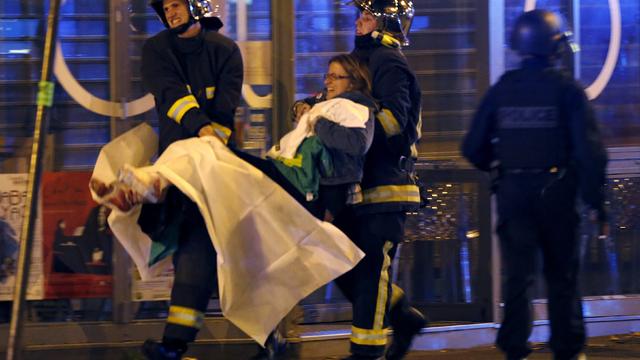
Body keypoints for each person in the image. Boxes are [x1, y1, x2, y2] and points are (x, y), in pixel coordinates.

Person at [462, 9, 608, 360]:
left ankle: (514, 346)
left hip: (513, 193)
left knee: (518, 276)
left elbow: (472, 147)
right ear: (555, 46)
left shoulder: (502, 90)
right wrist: (596, 204)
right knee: (562, 276)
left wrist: (499, 171)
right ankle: (567, 349)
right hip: (558, 192)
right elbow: (590, 154)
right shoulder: (568, 91)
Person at [295, 1, 427, 358]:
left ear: (385, 21)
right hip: (356, 187)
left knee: (369, 272)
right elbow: (345, 101)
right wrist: (311, 106)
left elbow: (394, 123)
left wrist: (350, 124)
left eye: (367, 16)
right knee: (341, 262)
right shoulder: (362, 61)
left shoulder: (389, 62)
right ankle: (400, 313)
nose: (358, 21)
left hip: (385, 185)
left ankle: (366, 352)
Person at [138, 0, 243, 359]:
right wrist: (203, 133)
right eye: (166, 7)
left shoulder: (226, 51)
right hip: (180, 170)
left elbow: (227, 108)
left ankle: (176, 343)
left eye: (176, 4)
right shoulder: (156, 50)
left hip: (221, 169)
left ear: (196, 5)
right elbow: (172, 96)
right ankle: (176, 341)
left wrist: (213, 145)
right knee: (193, 250)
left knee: (228, 256)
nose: (170, 12)